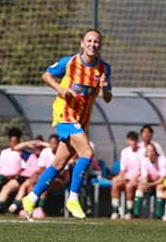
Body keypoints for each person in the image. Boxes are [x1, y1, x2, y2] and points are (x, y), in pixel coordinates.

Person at [20, 29, 112, 220]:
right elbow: (46, 75)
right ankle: (73, 198)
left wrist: (105, 89)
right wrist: (60, 89)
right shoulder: (69, 62)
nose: (92, 44)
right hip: (65, 114)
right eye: (89, 40)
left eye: (96, 42)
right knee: (87, 153)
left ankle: (31, 197)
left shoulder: (104, 68)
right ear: (82, 43)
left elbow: (108, 98)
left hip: (82, 120)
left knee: (59, 163)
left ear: (100, 45)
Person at [0, 128, 25, 214]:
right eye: (12, 141)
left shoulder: (22, 154)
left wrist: (13, 175)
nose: (13, 144)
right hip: (1, 177)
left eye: (15, 142)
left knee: (7, 187)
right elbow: (0, 167)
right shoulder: (4, 152)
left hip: (15, 179)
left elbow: (24, 169)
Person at [24, 134, 60, 220]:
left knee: (46, 181)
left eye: (55, 143)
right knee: (33, 182)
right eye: (51, 143)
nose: (53, 145)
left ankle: (40, 208)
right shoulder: (45, 152)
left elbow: (63, 172)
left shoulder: (62, 153)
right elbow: (41, 168)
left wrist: (47, 175)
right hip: (46, 176)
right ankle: (30, 208)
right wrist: (37, 174)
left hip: (59, 179)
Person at [132, 142, 166, 218]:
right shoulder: (144, 161)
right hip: (151, 181)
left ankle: (159, 214)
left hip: (163, 181)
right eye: (148, 151)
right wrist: (145, 184)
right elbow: (145, 177)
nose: (150, 153)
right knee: (140, 187)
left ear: (155, 152)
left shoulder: (162, 160)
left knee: (159, 187)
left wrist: (150, 185)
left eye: (152, 151)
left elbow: (162, 179)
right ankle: (136, 213)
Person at [110, 131, 140, 219]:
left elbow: (142, 168)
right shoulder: (125, 152)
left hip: (137, 178)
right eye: (131, 140)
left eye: (134, 140)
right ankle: (115, 211)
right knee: (115, 184)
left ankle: (129, 211)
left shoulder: (142, 151)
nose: (133, 142)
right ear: (128, 140)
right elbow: (123, 169)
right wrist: (120, 177)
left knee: (129, 186)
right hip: (127, 177)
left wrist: (134, 177)